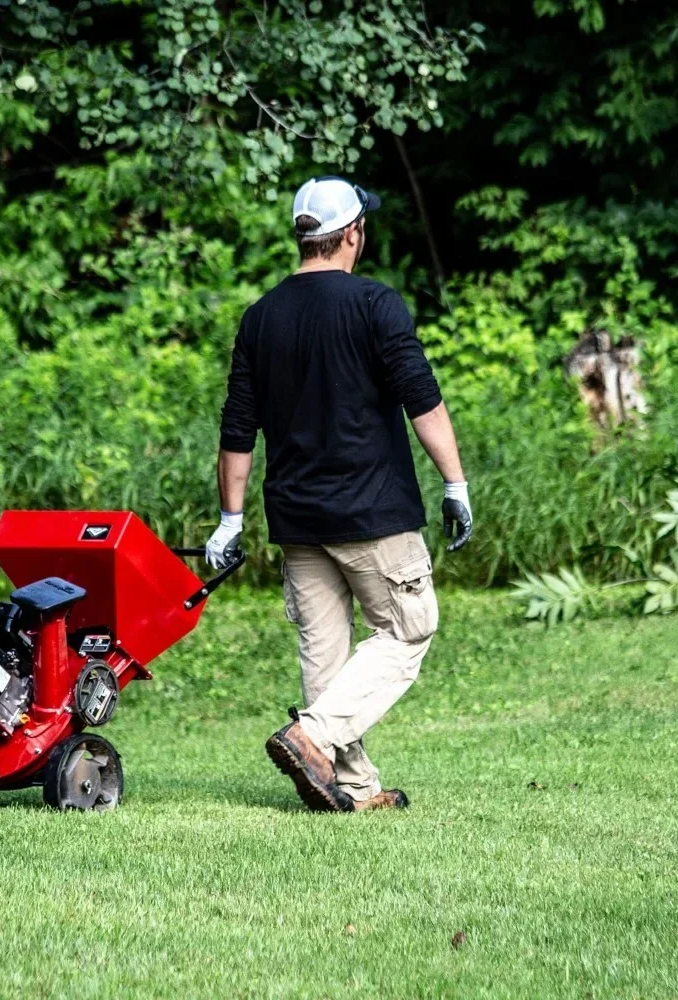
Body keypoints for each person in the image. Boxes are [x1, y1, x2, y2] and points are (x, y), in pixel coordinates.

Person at [205, 176, 472, 813]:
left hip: (297, 520)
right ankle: (313, 737)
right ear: (351, 234)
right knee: (410, 629)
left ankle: (350, 788)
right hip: (373, 514)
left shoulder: (261, 316)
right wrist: (456, 484)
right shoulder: (375, 304)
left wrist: (229, 521)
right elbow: (422, 400)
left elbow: (238, 426)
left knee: (325, 660)